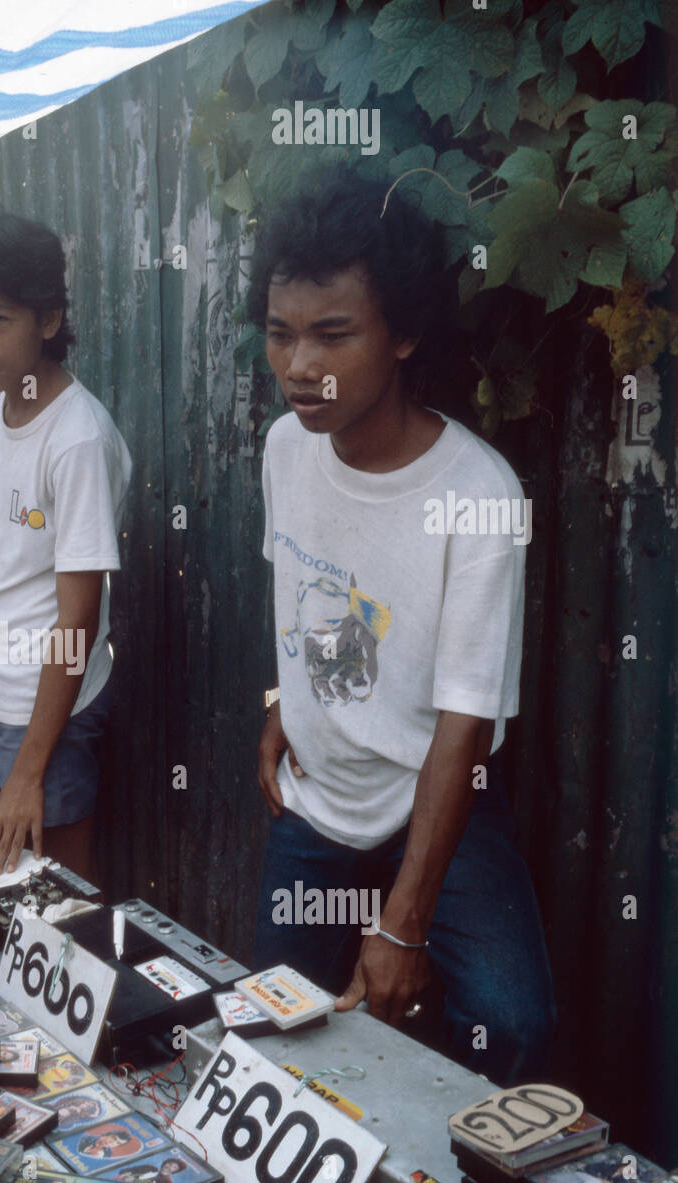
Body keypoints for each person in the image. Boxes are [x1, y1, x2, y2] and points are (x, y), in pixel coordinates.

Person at [249, 169, 555, 1086]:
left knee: (511, 1027)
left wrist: (401, 918)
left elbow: (466, 723)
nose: (300, 365)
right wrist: (278, 702)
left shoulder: (478, 495)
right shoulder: (284, 449)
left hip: (435, 803)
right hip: (311, 807)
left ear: (405, 334)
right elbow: (299, 598)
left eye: (332, 334)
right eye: (279, 334)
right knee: (276, 1040)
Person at [0, 211, 132, 880]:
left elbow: (78, 621)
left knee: (58, 909)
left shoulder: (77, 439)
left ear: (47, 320)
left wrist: (30, 771)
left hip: (49, 718)